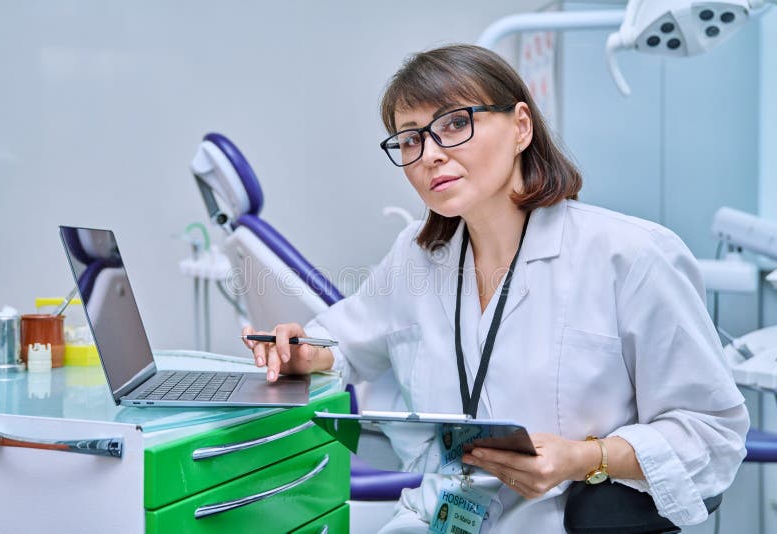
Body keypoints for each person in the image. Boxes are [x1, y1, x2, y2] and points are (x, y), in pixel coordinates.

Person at [242, 44, 748, 532]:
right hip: (440, 517)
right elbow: (348, 339)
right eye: (411, 139)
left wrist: (586, 458)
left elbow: (713, 432)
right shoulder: (418, 257)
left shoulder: (631, 255)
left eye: (455, 124)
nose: (430, 155)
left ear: (521, 127)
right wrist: (306, 354)